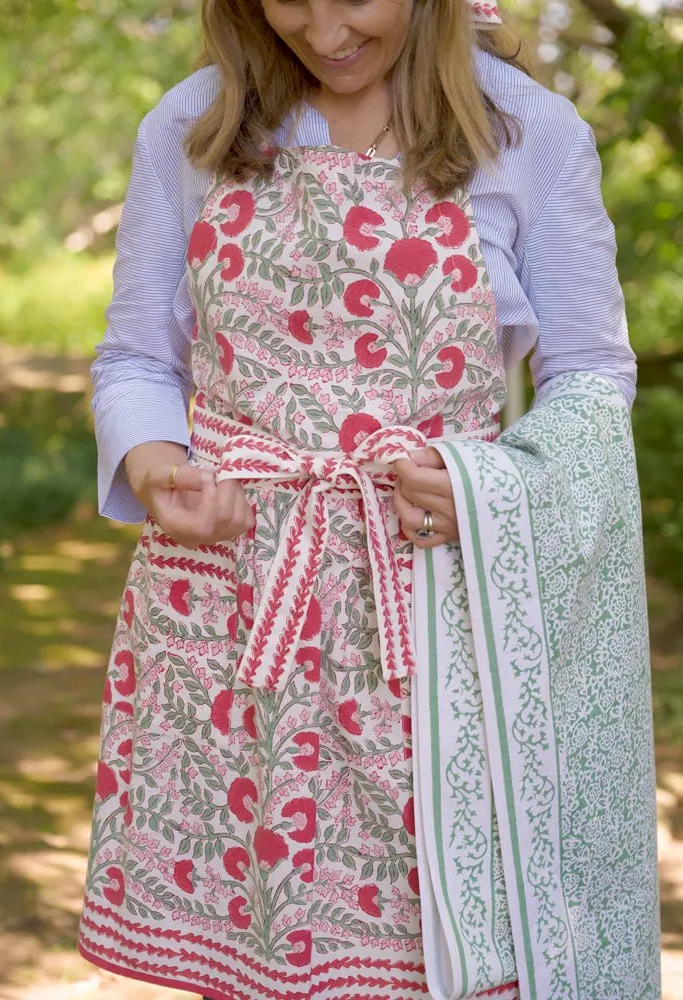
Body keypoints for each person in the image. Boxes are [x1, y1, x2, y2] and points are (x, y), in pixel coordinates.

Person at [77, 0, 661, 997]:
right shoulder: (191, 127)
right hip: (235, 612)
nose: (320, 27)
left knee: (439, 957)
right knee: (254, 951)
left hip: (435, 622)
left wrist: (496, 488)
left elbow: (591, 378)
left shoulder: (527, 135)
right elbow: (136, 357)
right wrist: (155, 469)